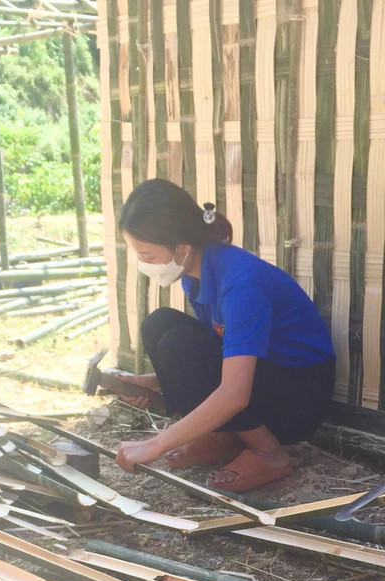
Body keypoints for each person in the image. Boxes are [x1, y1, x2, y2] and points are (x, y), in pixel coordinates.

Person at [113, 178, 335, 492]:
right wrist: (153, 382)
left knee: (179, 344)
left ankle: (269, 453)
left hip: (299, 397)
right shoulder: (195, 273)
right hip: (265, 377)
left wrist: (155, 445)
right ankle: (221, 438)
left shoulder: (241, 285)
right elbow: (215, 354)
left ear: (181, 245)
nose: (144, 264)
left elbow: (234, 392)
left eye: (147, 255)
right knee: (159, 325)